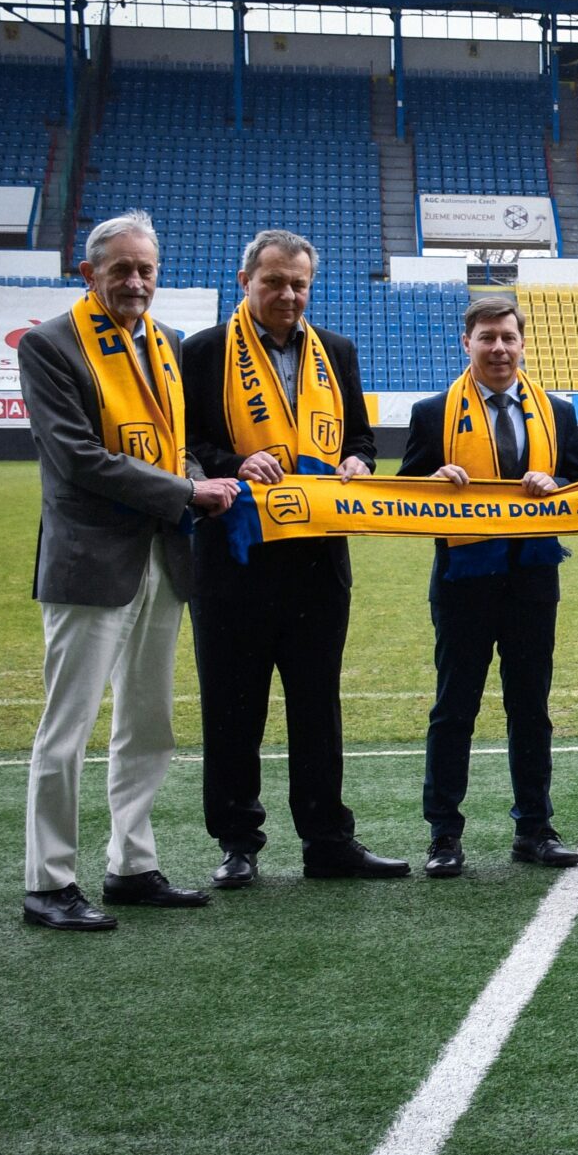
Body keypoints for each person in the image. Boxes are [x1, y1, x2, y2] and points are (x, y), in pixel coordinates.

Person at [18, 212, 238, 930]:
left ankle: (132, 865)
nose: (137, 281)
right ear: (90, 273)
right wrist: (187, 491)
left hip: (163, 556)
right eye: (122, 269)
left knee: (148, 724)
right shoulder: (51, 345)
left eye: (146, 269)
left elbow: (177, 445)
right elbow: (77, 457)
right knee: (68, 728)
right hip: (90, 560)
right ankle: (49, 882)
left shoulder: (166, 341)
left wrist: (201, 475)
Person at [181, 229, 405, 886]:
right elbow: (185, 443)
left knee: (317, 706)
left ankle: (327, 840)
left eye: (298, 283)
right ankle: (237, 842)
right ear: (245, 281)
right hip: (234, 558)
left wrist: (358, 460)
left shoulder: (337, 350)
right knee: (232, 707)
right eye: (274, 281)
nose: (287, 294)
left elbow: (360, 437)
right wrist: (232, 462)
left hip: (317, 560)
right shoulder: (203, 350)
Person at [399, 295, 578, 876]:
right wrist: (434, 480)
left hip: (533, 579)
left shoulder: (556, 411)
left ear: (523, 343)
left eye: (508, 337)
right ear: (467, 343)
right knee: (454, 709)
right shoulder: (433, 412)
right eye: (487, 338)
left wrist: (555, 481)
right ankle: (443, 834)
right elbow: (402, 493)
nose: (499, 348)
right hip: (462, 580)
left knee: (530, 707)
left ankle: (535, 828)